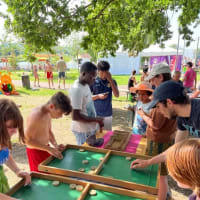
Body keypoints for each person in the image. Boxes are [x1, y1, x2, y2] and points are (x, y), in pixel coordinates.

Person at [131, 81, 200, 199]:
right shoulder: (182, 117)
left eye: (158, 106)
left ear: (169, 102)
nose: (159, 111)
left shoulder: (198, 113)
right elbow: (175, 149)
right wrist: (148, 162)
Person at [138, 63, 177, 200]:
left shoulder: (164, 95)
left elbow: (156, 125)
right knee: (162, 173)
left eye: (153, 80)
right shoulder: (174, 89)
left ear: (160, 77)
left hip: (159, 141)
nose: (152, 83)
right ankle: (163, 194)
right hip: (167, 137)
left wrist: (143, 115)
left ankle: (160, 196)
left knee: (159, 174)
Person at [25, 92, 72, 172]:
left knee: (50, 172)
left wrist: (55, 145)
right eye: (60, 113)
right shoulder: (36, 115)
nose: (60, 116)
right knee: (41, 178)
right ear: (51, 106)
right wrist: (49, 149)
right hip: (35, 152)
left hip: (45, 148)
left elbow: (49, 131)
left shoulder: (48, 113)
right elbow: (27, 141)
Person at [0, 99, 31, 199]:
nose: (15, 131)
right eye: (10, 126)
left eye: (16, 126)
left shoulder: (3, 137)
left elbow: (4, 154)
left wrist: (17, 170)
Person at [69, 62, 104, 145]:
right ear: (84, 74)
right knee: (85, 153)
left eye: (96, 76)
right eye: (92, 76)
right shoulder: (77, 89)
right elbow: (75, 116)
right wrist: (96, 120)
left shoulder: (85, 85)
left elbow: (86, 102)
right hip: (82, 131)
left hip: (88, 128)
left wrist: (96, 119)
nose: (94, 79)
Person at [90, 61, 119, 131]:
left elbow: (117, 95)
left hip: (107, 114)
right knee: (97, 135)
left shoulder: (112, 81)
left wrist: (111, 81)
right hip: (96, 114)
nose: (103, 75)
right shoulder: (93, 81)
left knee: (108, 134)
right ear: (97, 71)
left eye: (105, 72)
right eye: (101, 73)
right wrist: (98, 96)